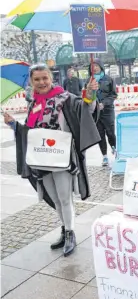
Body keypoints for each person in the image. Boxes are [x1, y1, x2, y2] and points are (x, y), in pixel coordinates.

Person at [3, 64, 101, 257]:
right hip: (41, 158)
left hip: (61, 156)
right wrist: (13, 124)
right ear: (32, 81)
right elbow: (30, 132)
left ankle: (71, 233)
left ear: (51, 78)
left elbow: (85, 107)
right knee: (55, 198)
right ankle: (64, 230)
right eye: (37, 79)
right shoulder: (33, 103)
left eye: (44, 78)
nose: (41, 82)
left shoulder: (64, 98)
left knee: (65, 198)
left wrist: (91, 95)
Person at [86, 59, 117, 166]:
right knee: (100, 135)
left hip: (107, 111)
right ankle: (104, 156)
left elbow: (113, 95)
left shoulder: (109, 79)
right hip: (95, 113)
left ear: (101, 66)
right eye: (92, 66)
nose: (94, 68)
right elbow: (87, 96)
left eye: (96, 66)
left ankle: (115, 149)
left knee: (110, 133)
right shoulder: (89, 81)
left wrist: (104, 103)